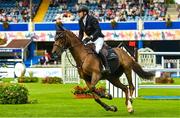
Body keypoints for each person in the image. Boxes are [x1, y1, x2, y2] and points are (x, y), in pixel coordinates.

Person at [77, 5, 111, 74]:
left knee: (97, 50)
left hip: (98, 38)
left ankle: (106, 67)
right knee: (84, 50)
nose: (78, 13)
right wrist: (78, 42)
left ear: (85, 13)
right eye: (78, 12)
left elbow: (98, 30)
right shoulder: (80, 21)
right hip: (90, 40)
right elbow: (81, 33)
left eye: (80, 12)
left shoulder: (92, 19)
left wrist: (91, 37)